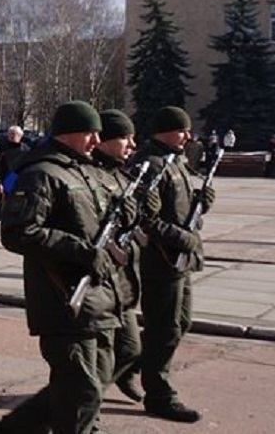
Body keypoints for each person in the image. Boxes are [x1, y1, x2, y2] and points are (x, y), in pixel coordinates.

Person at [0, 101, 119, 434]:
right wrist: (81, 251)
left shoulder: (85, 170)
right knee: (81, 391)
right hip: (61, 297)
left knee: (91, 382)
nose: (96, 140)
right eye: (90, 133)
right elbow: (19, 232)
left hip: (99, 297)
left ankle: (20, 427)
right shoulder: (41, 173)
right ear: (69, 133)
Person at [134, 106, 211, 423]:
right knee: (163, 328)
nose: (188, 136)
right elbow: (143, 220)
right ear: (164, 131)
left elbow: (181, 214)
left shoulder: (176, 163)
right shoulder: (151, 165)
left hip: (180, 259)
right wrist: (182, 238)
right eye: (182, 130)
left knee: (180, 323)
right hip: (162, 260)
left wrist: (200, 205)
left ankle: (136, 365)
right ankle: (159, 393)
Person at [90, 110, 150, 406]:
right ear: (104, 140)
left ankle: (86, 402)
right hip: (95, 282)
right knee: (83, 372)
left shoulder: (122, 174)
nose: (132, 145)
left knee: (129, 349)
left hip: (120, 282)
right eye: (125, 137)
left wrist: (143, 208)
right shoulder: (87, 174)